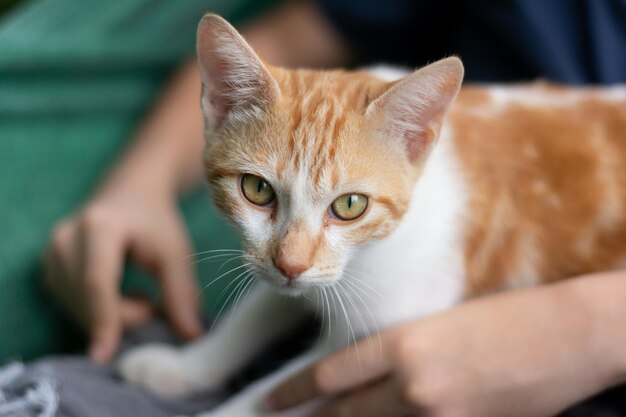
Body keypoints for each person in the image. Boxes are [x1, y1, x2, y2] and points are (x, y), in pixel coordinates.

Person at [44, 1, 626, 416]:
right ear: (220, 108)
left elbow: (347, 358)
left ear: (416, 138)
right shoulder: (370, 159)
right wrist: (204, 363)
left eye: (346, 206)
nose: (293, 257)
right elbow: (298, 272)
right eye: (260, 193)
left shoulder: (414, 182)